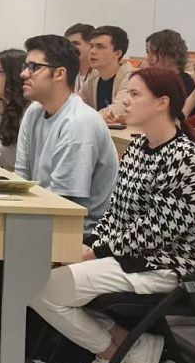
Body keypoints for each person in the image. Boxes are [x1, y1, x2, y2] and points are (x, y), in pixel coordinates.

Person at [32, 67, 195, 363]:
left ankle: (111, 354)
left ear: (162, 103)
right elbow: (115, 212)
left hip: (162, 264)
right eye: (126, 93)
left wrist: (96, 251)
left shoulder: (186, 159)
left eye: (134, 94)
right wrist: (91, 244)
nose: (124, 101)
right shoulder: (138, 147)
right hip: (125, 255)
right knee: (36, 276)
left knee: (40, 289)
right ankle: (131, 344)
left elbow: (158, 230)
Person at [15, 34, 119, 234]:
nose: (24, 74)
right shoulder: (34, 111)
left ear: (59, 74)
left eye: (34, 67)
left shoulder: (79, 122)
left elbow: (65, 207)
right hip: (42, 218)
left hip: (80, 234)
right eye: (25, 66)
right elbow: (21, 180)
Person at [78, 24, 133, 121]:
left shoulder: (131, 77)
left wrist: (82, 119)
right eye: (91, 46)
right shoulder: (94, 75)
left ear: (117, 53)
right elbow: (76, 105)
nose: (92, 51)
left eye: (100, 47)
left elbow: (117, 111)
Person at [145, 28, 195, 100]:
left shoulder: (183, 85)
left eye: (154, 53)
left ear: (172, 55)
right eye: (147, 52)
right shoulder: (157, 81)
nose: (147, 58)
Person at [65, 23, 95, 94]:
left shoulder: (102, 74)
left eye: (75, 43)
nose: (70, 48)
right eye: (68, 44)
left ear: (91, 45)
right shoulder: (65, 74)